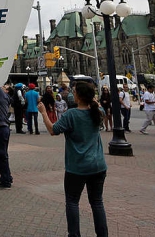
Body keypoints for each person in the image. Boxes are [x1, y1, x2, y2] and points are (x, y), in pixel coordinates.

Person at [37, 80, 108, 237]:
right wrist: (92, 99)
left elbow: (53, 130)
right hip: (98, 166)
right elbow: (97, 105)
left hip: (77, 167)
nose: (72, 94)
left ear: (80, 96)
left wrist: (43, 113)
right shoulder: (98, 112)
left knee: (72, 201)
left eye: (74, 92)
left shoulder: (72, 114)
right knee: (97, 202)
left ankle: (74, 235)